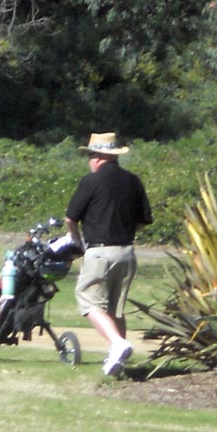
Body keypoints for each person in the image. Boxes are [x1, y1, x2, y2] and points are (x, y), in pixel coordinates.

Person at [65, 132, 153, 376]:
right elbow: (143, 220)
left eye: (91, 154)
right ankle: (117, 362)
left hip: (99, 251)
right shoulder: (133, 181)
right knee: (116, 309)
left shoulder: (91, 181)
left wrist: (77, 241)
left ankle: (118, 344)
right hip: (127, 251)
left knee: (88, 299)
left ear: (98, 157)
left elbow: (71, 218)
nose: (90, 159)